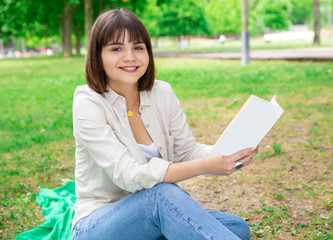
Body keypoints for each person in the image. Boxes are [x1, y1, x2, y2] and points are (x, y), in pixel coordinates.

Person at [72, 8, 257, 240]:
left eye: (138, 47)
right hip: (98, 225)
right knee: (160, 194)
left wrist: (229, 153)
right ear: (97, 55)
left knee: (236, 227)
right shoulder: (88, 103)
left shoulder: (161, 92)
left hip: (153, 216)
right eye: (116, 48)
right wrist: (207, 166)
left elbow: (187, 150)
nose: (130, 57)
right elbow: (130, 176)